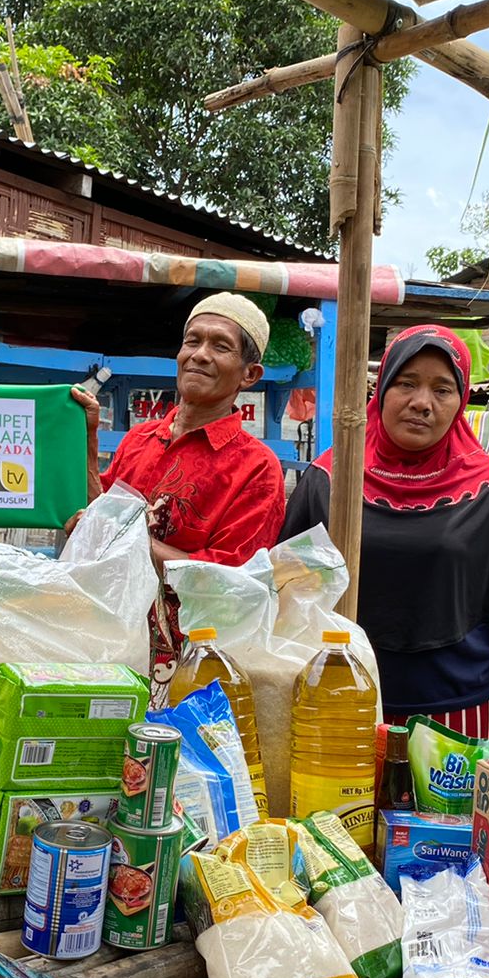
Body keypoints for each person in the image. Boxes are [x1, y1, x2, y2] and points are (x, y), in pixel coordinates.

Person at [280, 323, 489, 737]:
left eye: (442, 389)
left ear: (460, 402)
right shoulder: (330, 480)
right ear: (382, 389)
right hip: (338, 702)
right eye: (406, 383)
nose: (422, 403)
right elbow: (287, 593)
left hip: (455, 709)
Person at [72, 292, 286, 699]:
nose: (200, 355)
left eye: (220, 346)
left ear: (249, 374)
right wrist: (86, 437)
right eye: (192, 341)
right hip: (108, 642)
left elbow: (231, 584)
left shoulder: (257, 468)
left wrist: (130, 540)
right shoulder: (140, 439)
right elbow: (99, 514)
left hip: (191, 665)